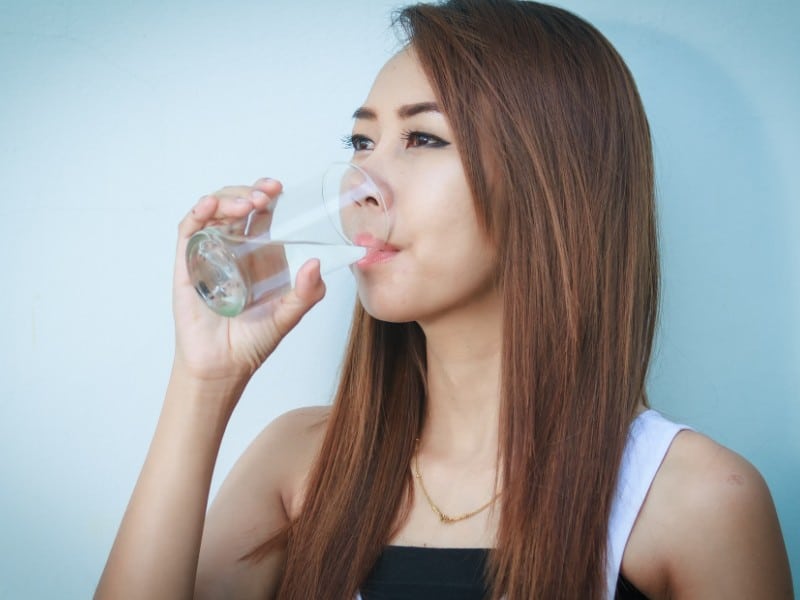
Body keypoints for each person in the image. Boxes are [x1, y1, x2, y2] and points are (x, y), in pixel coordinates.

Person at [95, 1, 793, 598]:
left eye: (423, 138)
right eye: (361, 140)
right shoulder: (299, 466)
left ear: (552, 185)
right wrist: (203, 383)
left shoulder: (698, 500)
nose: (359, 184)